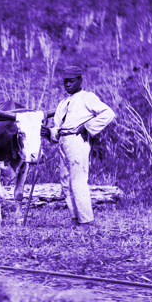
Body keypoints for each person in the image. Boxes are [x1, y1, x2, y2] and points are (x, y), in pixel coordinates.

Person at [41, 66, 115, 230]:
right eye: (65, 82)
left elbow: (108, 113)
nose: (67, 84)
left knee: (78, 181)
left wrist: (87, 127)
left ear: (79, 81)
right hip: (64, 141)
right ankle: (75, 219)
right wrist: (48, 132)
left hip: (77, 140)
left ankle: (86, 222)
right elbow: (59, 129)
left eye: (71, 81)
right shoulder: (62, 103)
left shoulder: (87, 97)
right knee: (65, 183)